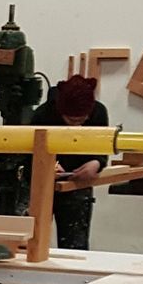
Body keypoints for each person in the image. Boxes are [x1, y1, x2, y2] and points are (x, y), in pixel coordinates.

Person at [30, 74, 107, 251]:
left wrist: (96, 162)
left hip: (78, 185)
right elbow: (28, 154)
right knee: (33, 241)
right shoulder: (43, 115)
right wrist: (48, 166)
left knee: (75, 244)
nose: (78, 125)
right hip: (42, 184)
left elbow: (103, 148)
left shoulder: (98, 113)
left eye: (83, 120)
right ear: (61, 111)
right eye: (72, 120)